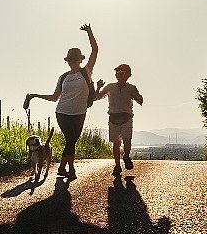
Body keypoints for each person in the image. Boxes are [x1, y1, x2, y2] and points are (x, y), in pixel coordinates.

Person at [23, 23, 98, 180]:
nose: (73, 61)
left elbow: (95, 50)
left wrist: (89, 32)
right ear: (68, 61)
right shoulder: (63, 77)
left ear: (80, 59)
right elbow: (54, 97)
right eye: (70, 59)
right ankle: (68, 168)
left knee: (71, 142)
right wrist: (35, 95)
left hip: (80, 113)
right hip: (62, 113)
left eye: (75, 59)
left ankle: (65, 168)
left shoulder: (86, 72)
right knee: (70, 140)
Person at [94, 63, 144, 177]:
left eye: (123, 72)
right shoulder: (110, 87)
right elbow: (96, 98)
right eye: (117, 72)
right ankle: (117, 165)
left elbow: (140, 100)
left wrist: (138, 98)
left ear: (128, 75)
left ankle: (126, 156)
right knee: (116, 143)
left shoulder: (131, 88)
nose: (120, 74)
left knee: (127, 140)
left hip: (126, 117)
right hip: (113, 118)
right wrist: (98, 87)